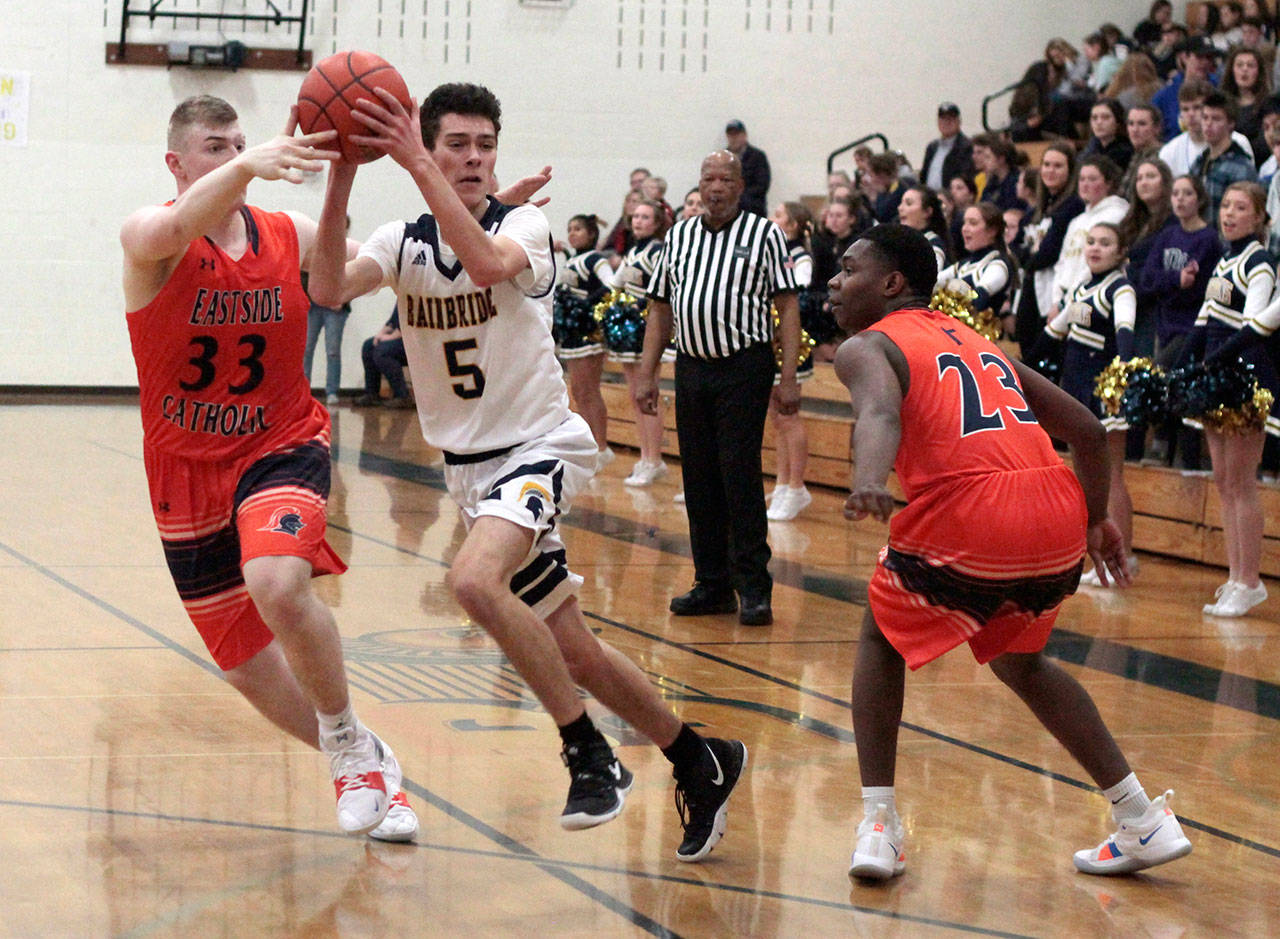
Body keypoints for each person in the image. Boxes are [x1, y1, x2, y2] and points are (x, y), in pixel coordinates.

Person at [309, 81, 748, 860]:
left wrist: (415, 163)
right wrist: (344, 165)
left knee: (473, 583)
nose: (473, 158)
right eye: (456, 145)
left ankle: (589, 752)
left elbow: (482, 265)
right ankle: (699, 758)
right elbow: (327, 287)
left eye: (484, 145)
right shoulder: (402, 240)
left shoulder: (526, 224)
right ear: (434, 144)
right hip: (471, 470)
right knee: (572, 648)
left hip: (539, 445)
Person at [827, 222, 1192, 883]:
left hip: (971, 511)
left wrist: (868, 480)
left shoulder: (864, 346)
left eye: (848, 268)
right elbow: (1083, 428)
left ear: (891, 283)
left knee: (880, 638)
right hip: (1052, 510)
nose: (833, 280)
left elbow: (879, 413)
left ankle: (879, 826)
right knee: (1021, 663)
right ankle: (1142, 817)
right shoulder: (973, 339)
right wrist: (1095, 518)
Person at [120, 95, 418, 842]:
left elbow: (340, 278)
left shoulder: (285, 233)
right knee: (245, 665)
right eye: (215, 147)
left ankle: (348, 746)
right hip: (185, 471)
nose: (233, 156)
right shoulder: (147, 236)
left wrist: (348, 177)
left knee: (278, 582)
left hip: (279, 444)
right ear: (177, 163)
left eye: (239, 143)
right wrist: (252, 164)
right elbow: (173, 225)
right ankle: (371, 761)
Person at [635, 149, 801, 628]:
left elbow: (787, 306)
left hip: (744, 367)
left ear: (740, 185)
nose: (715, 187)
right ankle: (711, 583)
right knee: (698, 478)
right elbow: (660, 309)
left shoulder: (764, 234)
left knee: (738, 475)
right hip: (691, 367)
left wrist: (787, 377)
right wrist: (647, 373)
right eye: (708, 178)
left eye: (725, 179)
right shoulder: (680, 235)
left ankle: (753, 587)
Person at [1181, 181, 1277, 617]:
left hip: (1243, 377)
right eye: (1226, 206)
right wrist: (1178, 365)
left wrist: (1213, 363)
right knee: (1223, 480)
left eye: (1241, 208)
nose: (1230, 214)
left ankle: (1250, 580)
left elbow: (1256, 324)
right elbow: (1204, 321)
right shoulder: (1225, 260)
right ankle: (1235, 576)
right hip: (1217, 377)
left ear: (1259, 218)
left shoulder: (1259, 262)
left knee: (1241, 482)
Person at [1038, 223, 1140, 584]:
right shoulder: (1083, 286)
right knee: (1087, 476)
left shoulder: (1120, 288)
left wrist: (1121, 378)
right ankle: (1097, 555)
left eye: (1105, 243)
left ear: (1120, 252)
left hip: (1104, 389)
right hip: (1076, 386)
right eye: (1091, 242)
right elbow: (1055, 331)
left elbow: (1125, 334)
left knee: (1111, 476)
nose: (1096, 248)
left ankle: (1122, 555)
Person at [1139, 174, 1220, 468]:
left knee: (1164, 379)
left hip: (1192, 326)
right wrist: (1175, 280)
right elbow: (1146, 281)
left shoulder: (1209, 239)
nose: (1180, 199)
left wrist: (1176, 287)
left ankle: (1175, 451)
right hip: (1165, 324)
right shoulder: (1168, 235)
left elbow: (1200, 290)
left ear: (1199, 198)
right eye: (1175, 194)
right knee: (1169, 385)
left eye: (1187, 193)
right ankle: (1170, 449)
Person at [609, 198, 671, 486]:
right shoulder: (634, 250)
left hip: (648, 328)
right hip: (629, 327)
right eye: (635, 217)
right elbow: (614, 284)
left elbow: (664, 288)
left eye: (645, 217)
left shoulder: (658, 251)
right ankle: (645, 456)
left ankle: (655, 459)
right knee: (635, 395)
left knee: (647, 395)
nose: (638, 221)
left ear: (657, 223)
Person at [766, 201, 817, 522]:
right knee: (775, 416)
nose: (772, 219)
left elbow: (800, 286)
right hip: (768, 339)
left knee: (788, 414)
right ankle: (783, 482)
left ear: (794, 225)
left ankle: (797, 486)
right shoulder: (774, 254)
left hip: (789, 339)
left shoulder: (800, 257)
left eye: (779, 215)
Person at [554, 214, 614, 468]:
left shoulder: (596, 259)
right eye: (570, 228)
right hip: (571, 334)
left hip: (588, 333)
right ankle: (589, 445)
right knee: (578, 391)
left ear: (591, 234)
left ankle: (602, 447)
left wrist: (588, 306)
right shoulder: (574, 259)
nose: (572, 233)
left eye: (578, 228)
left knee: (589, 391)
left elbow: (611, 285)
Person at [1014, 143, 1085, 352]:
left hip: (1053, 291)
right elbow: (1013, 250)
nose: (1050, 171)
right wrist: (1029, 254)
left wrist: (1029, 254)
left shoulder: (1073, 207)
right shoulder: (1036, 210)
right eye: (1046, 164)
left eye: (1058, 166)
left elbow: (1046, 254)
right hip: (1031, 287)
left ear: (1070, 171)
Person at [1049, 155, 1130, 319]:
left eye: (1092, 179)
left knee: (1081, 341)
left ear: (1108, 183)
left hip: (1092, 298)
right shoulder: (1076, 221)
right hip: (1064, 301)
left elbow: (1092, 265)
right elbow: (1062, 263)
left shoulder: (1116, 214)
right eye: (1082, 179)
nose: (1085, 184)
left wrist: (1066, 304)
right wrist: (1056, 300)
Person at [936, 202, 1015, 331]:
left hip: (980, 341)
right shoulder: (963, 265)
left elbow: (978, 299)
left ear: (992, 231)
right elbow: (930, 284)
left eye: (973, 223)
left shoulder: (998, 265)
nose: (965, 228)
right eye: (964, 222)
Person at [1159, 78, 1257, 176]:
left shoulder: (1239, 141)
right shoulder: (1169, 151)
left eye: (1197, 107)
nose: (1191, 114)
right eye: (1185, 109)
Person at [301, 214, 351, 405]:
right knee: (306, 349)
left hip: (336, 309)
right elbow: (304, 274)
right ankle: (303, 391)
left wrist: (342, 297)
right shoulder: (316, 245)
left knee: (332, 350)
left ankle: (332, 392)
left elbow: (358, 276)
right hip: (313, 306)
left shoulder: (349, 248)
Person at [1190, 90, 1259, 225]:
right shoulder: (1199, 162)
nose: (1208, 124)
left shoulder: (1241, 167)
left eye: (1216, 119)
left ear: (1231, 123)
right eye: (1205, 117)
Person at [1152, 37, 1222, 142]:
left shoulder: (1220, 89)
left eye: (1209, 58)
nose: (1205, 62)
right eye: (1199, 57)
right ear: (1184, 57)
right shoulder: (1165, 95)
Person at [355, 307, 413, 408]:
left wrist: (389, 337)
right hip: (401, 339)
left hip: (415, 343)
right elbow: (391, 323)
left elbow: (406, 326)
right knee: (368, 346)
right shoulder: (400, 297)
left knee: (383, 352)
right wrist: (381, 334)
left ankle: (402, 396)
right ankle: (372, 394)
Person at [920, 102, 974, 193]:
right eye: (943, 119)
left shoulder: (967, 147)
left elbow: (965, 177)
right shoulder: (932, 147)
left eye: (951, 119)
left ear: (959, 121)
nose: (946, 122)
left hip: (951, 199)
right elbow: (924, 176)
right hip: (930, 198)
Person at [724, 119, 771, 216]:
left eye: (737, 134)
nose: (734, 138)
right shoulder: (722, 157)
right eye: (731, 135)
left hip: (753, 209)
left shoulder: (758, 157)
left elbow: (762, 185)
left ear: (745, 135)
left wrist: (739, 196)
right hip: (727, 209)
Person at [1082, 98, 1136, 171]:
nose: (1099, 122)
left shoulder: (1127, 152)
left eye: (1105, 117)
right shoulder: (1090, 149)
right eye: (1094, 118)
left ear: (1117, 122)